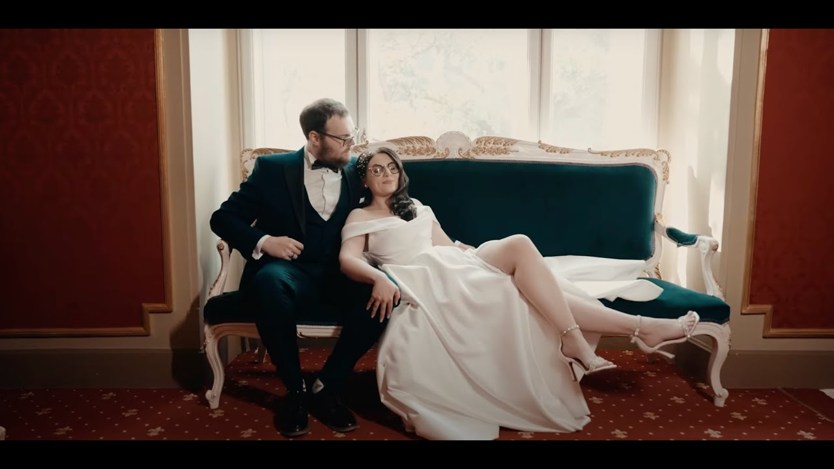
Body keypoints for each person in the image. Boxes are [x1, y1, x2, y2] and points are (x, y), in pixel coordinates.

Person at [339, 147, 700, 440]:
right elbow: (348, 260)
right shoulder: (360, 218)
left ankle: (584, 336)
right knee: (521, 291)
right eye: (377, 170)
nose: (386, 174)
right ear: (365, 179)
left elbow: (446, 245)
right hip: (423, 277)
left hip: (452, 261)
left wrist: (474, 255)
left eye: (392, 168)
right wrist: (378, 278)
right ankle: (635, 328)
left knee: (520, 245)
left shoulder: (417, 207)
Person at [210, 98, 387, 438]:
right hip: (287, 273)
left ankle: (326, 387)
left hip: (340, 273)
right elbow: (223, 218)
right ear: (314, 137)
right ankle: (295, 391)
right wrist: (265, 241)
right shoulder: (271, 169)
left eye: (353, 136)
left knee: (384, 290)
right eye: (343, 138)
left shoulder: (357, 170)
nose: (352, 145)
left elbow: (393, 203)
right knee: (269, 282)